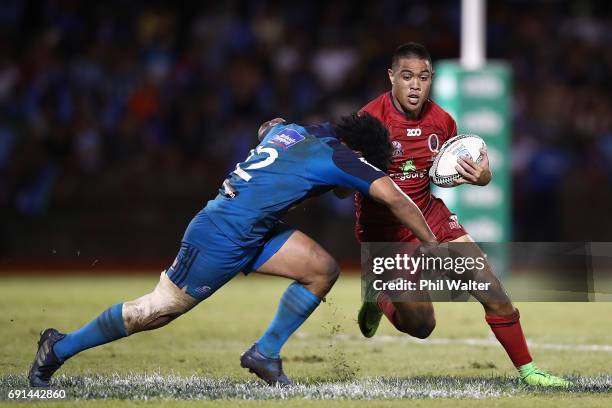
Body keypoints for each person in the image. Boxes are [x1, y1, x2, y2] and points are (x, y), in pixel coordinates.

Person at [29, 113, 440, 388]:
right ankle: (59, 347)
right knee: (154, 311)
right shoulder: (344, 156)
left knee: (321, 269)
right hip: (222, 233)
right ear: (360, 151)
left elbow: (268, 126)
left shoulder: (295, 130)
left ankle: (265, 354)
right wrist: (431, 242)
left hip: (252, 226)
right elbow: (395, 198)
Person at [354, 43, 571, 387]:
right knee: (422, 326)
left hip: (430, 216)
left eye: (423, 78)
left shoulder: (442, 121)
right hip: (386, 232)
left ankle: (529, 372)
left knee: (493, 290)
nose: (415, 85)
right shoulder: (368, 122)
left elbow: (451, 169)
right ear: (391, 77)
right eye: (407, 76)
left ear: (432, 80)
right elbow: (339, 184)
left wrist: (482, 177)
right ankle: (379, 298)